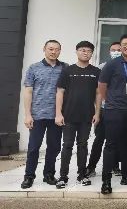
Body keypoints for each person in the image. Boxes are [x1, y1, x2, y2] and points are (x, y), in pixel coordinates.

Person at [98, 33, 127, 195]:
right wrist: (109, 101)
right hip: (114, 111)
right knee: (111, 145)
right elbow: (102, 85)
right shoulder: (112, 64)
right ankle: (106, 181)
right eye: (124, 44)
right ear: (121, 47)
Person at [55, 41, 101, 189]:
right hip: (68, 115)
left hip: (86, 116)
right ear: (76, 51)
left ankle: (82, 175)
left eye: (88, 51)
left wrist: (97, 113)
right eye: (82, 50)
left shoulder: (96, 71)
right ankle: (63, 177)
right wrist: (58, 113)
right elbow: (60, 92)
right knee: (67, 145)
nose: (85, 53)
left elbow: (98, 93)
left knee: (83, 145)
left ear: (92, 54)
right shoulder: (67, 70)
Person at [21, 40, 65, 189]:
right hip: (37, 115)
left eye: (56, 49)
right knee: (34, 148)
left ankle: (49, 174)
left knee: (54, 147)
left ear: (60, 51)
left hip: (56, 116)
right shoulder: (34, 68)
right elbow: (28, 92)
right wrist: (27, 115)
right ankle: (29, 176)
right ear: (44, 49)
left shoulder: (65, 68)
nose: (53, 52)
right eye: (50, 49)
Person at [86, 42, 121, 177]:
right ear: (109, 52)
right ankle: (91, 167)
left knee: (116, 139)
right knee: (99, 139)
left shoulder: (125, 67)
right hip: (104, 109)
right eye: (113, 50)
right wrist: (97, 111)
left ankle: (115, 166)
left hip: (119, 109)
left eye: (118, 50)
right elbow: (97, 92)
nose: (116, 52)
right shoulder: (101, 67)